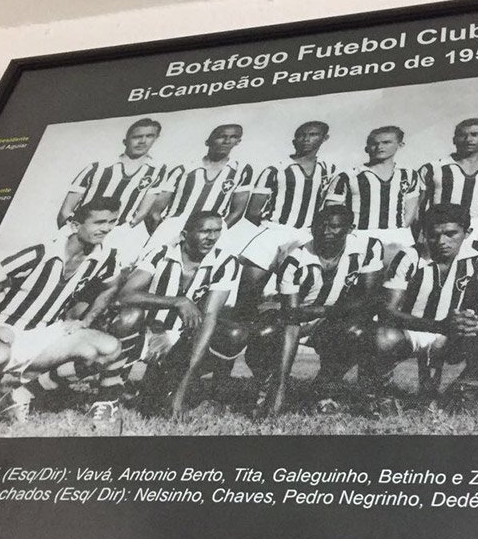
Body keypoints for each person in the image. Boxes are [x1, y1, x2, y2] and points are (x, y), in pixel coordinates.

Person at [0, 197, 124, 427]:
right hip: (6, 332)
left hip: (47, 335)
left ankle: (20, 396)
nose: (106, 228)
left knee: (109, 348)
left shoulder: (105, 258)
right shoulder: (40, 252)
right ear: (75, 225)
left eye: (112, 221)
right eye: (99, 222)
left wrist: (86, 320)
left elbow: (111, 286)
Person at [362, 203, 478, 412]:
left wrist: (476, 323)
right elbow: (388, 311)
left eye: (450, 234)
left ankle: (465, 387)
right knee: (382, 338)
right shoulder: (409, 257)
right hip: (416, 330)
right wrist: (438, 325)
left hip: (457, 331)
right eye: (434, 235)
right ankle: (383, 392)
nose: (442, 242)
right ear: (424, 234)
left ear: (467, 233)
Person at [246, 205, 383, 416]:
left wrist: (323, 311)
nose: (326, 232)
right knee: (264, 334)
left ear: (350, 228)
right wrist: (281, 387)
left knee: (357, 331)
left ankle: (324, 387)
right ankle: (268, 390)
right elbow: (291, 318)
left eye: (334, 227)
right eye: (321, 226)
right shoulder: (295, 260)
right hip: (294, 318)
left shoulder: (368, 249)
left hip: (330, 318)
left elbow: (369, 300)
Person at [108, 210, 246, 420]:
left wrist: (181, 391)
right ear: (184, 235)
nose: (212, 237)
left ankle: (173, 386)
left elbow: (210, 316)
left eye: (217, 231)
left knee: (234, 334)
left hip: (184, 340)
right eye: (205, 231)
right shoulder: (160, 253)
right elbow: (125, 295)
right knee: (128, 317)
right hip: (148, 333)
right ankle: (112, 391)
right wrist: (177, 302)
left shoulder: (226, 262)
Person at [239, 121, 338, 299]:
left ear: (325, 138)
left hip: (306, 235)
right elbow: (253, 211)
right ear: (294, 140)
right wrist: (269, 228)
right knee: (249, 291)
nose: (306, 139)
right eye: (301, 135)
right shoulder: (275, 169)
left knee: (299, 292)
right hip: (274, 231)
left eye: (313, 135)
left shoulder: (329, 170)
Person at [57, 118, 171, 264]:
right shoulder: (99, 167)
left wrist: (119, 232)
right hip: (82, 231)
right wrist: (74, 233)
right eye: (137, 137)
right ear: (126, 141)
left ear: (156, 138)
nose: (142, 141)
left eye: (149, 136)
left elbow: (142, 212)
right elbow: (65, 210)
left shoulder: (156, 172)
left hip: (114, 235)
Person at [144, 124, 254, 254]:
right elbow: (154, 212)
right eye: (221, 137)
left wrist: (215, 231)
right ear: (209, 141)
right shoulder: (184, 168)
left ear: (238, 141)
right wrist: (163, 234)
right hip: (175, 227)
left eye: (233, 137)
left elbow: (237, 212)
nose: (227, 141)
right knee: (152, 262)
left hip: (211, 233)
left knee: (209, 266)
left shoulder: (241, 170)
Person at [417, 118, 478, 265]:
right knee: (439, 270)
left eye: (475, 134)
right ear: (454, 139)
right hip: (445, 230)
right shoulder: (432, 168)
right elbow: (420, 207)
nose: (468, 139)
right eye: (463, 135)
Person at [325, 126, 418, 267]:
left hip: (398, 236)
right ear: (367, 148)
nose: (379, 147)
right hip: (360, 235)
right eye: (374, 143)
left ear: (400, 145)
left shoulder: (409, 175)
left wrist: (400, 230)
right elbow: (332, 210)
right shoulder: (348, 176)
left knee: (399, 276)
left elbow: (411, 208)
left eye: (386, 142)